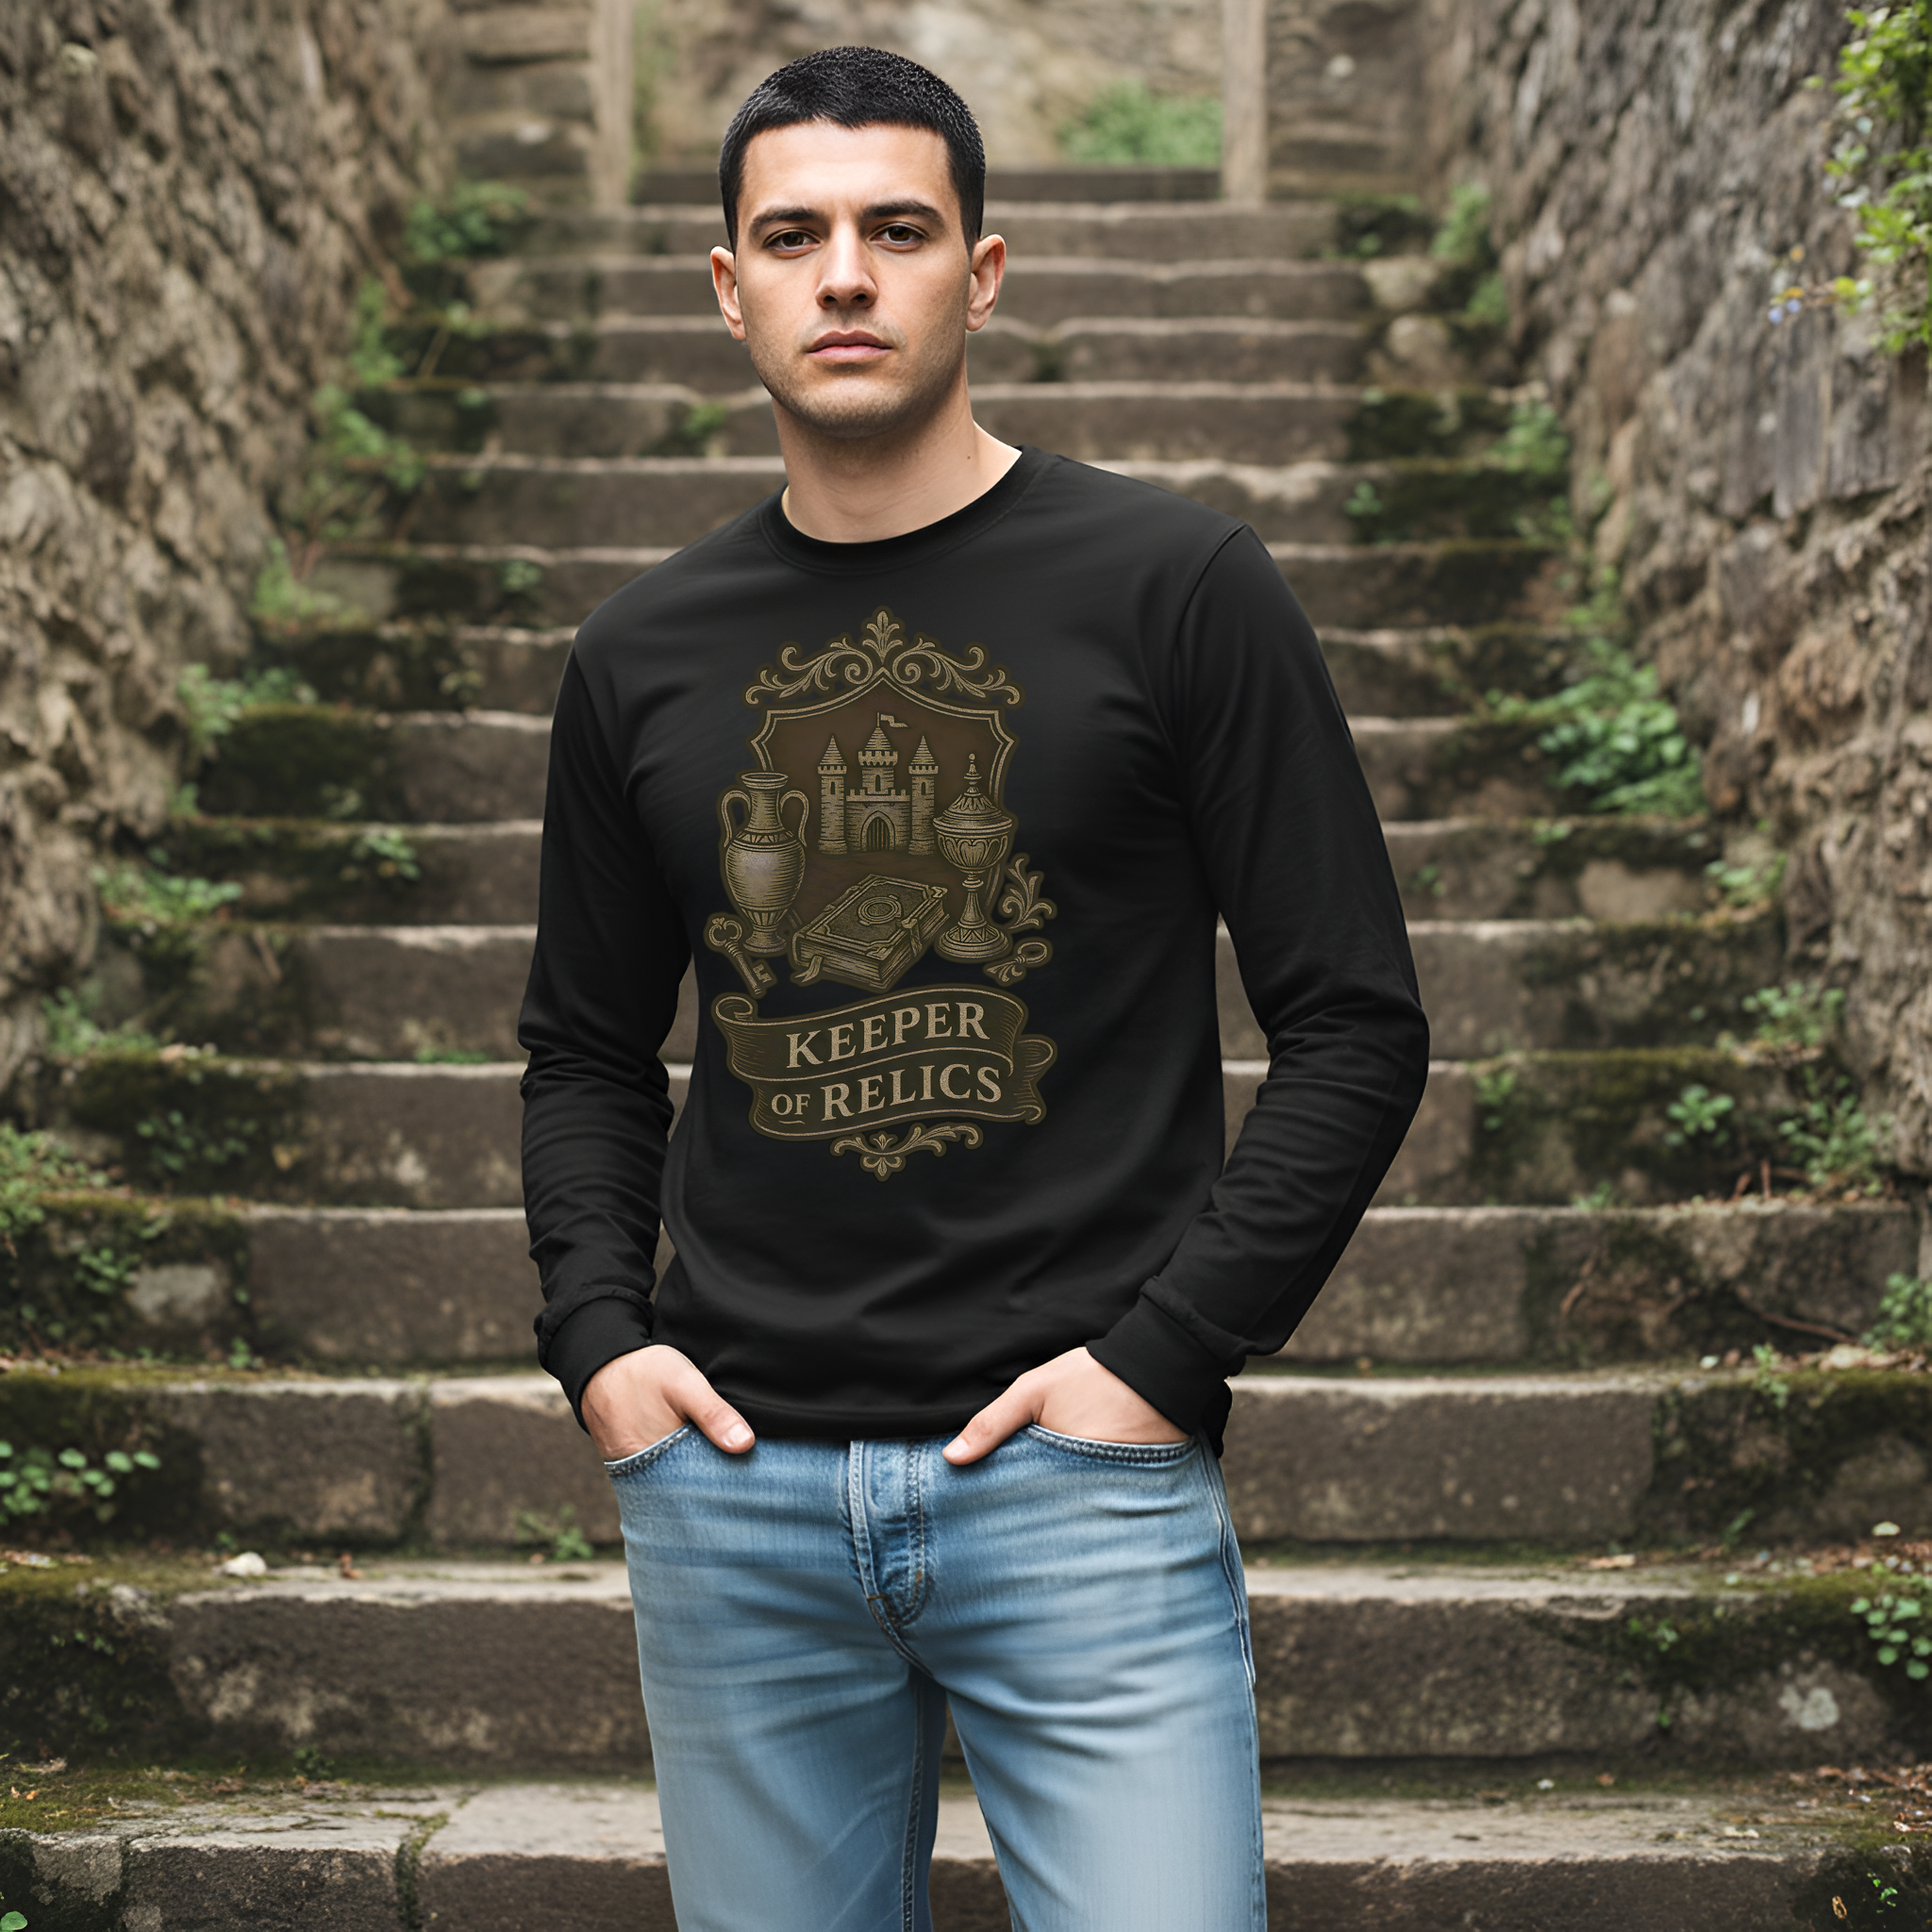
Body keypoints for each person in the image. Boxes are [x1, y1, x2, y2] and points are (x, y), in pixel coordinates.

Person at [519, 43, 1428, 1932]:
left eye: (894, 229)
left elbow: (1352, 1016)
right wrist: (604, 1344)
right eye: (793, 234)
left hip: (1077, 1483)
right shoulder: (637, 654)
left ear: (980, 271)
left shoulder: (1179, 588)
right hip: (739, 1488)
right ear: (729, 285)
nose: (842, 273)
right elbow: (588, 1050)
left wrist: (1163, 1361)